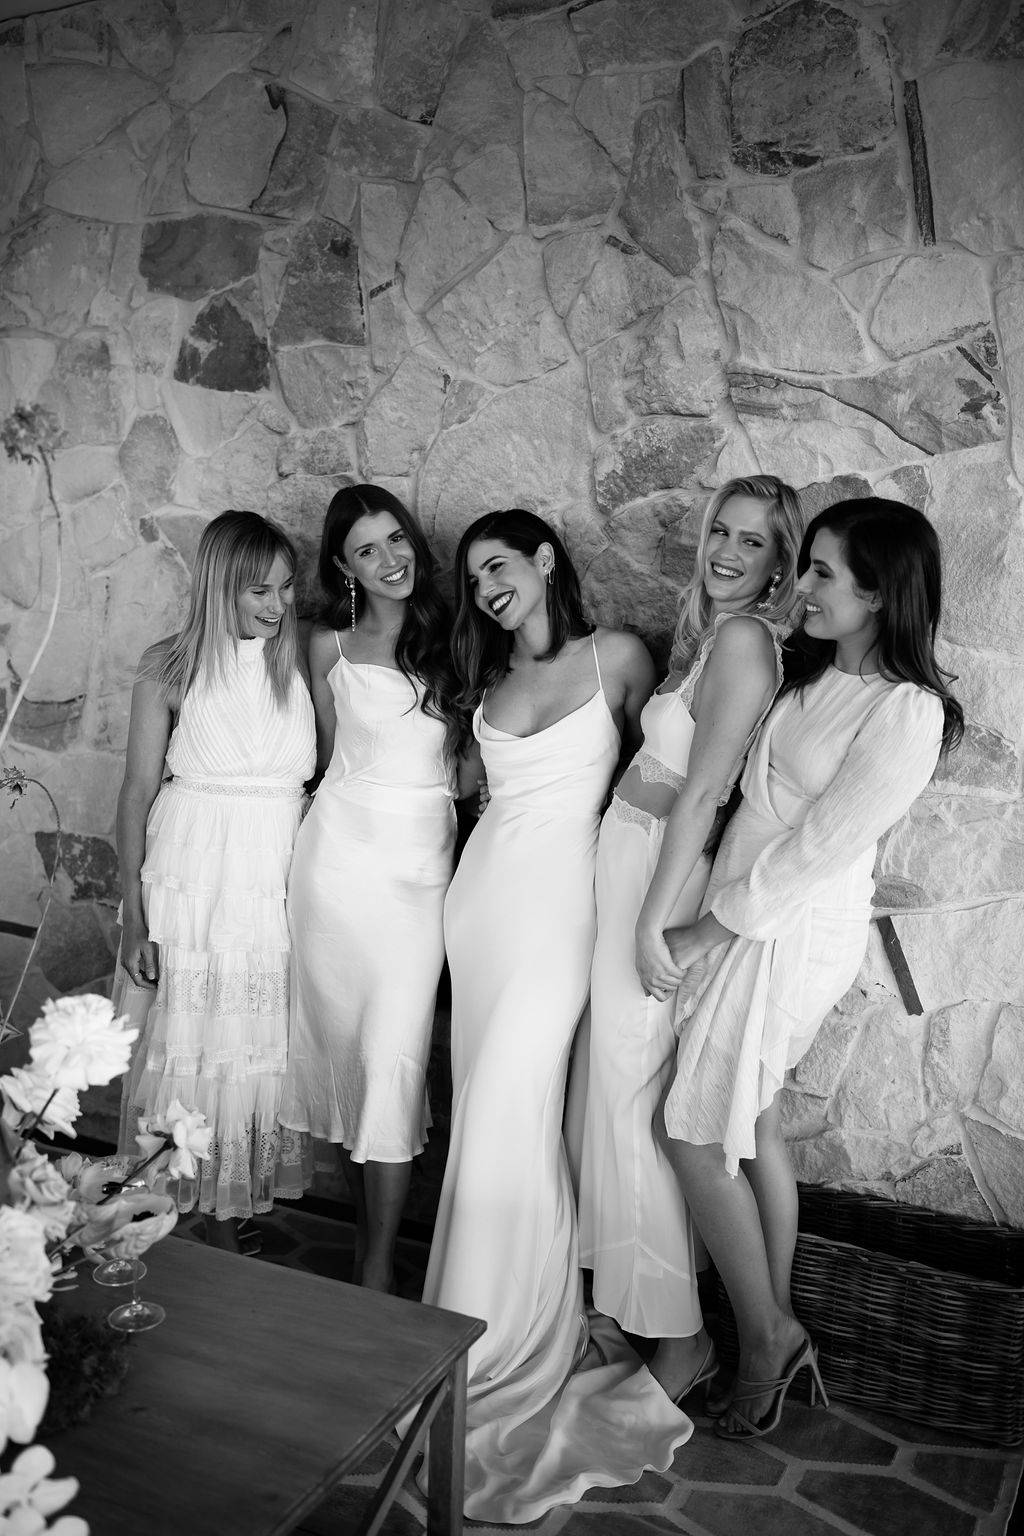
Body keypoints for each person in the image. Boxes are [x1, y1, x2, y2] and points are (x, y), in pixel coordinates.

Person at [656, 498, 963, 1439]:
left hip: (791, 928)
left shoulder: (906, 712)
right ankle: (775, 1318)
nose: (804, 586)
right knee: (750, 1119)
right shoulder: (809, 673)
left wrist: (705, 932)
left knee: (693, 1135)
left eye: (825, 573)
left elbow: (821, 849)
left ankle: (762, 1332)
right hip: (743, 903)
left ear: (879, 594)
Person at [421, 508, 690, 1524]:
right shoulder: (485, 683)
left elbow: (661, 780)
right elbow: (475, 797)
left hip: (558, 919)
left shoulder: (617, 656)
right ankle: (477, 1323)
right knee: (486, 1112)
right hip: (478, 907)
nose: (487, 586)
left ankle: (493, 1340)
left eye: (499, 565)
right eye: (473, 576)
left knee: (509, 1109)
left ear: (542, 561)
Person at [578, 475, 804, 1405]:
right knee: (610, 1088)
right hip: (627, 856)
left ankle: (683, 1336)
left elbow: (705, 794)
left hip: (657, 880)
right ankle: (637, 1312)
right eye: (723, 532)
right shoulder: (708, 634)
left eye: (753, 544)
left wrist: (650, 920)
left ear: (780, 565)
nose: (727, 553)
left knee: (637, 1100)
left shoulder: (747, 640)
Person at [277, 486, 469, 1294]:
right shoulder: (326, 646)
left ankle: (378, 1264)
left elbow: (471, 763)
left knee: (391, 1057)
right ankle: (365, 1246)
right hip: (333, 868)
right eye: (366, 550)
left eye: (396, 540)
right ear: (342, 567)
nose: (389, 559)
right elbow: (323, 760)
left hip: (420, 873)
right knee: (343, 1060)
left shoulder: (459, 639)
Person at [115, 511, 316, 1251]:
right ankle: (161, 1215)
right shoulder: (167, 666)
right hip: (190, 876)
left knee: (251, 1045)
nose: (277, 604)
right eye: (257, 590)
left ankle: (227, 1216)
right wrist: (134, 917)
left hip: (270, 880)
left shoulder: (300, 663)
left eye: (287, 588)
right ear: (218, 586)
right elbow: (136, 791)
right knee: (184, 1043)